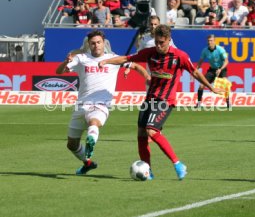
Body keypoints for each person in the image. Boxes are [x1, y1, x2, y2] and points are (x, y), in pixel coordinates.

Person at [98, 25, 222, 180]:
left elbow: (195, 72)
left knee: (152, 131)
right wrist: (106, 61)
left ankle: (178, 164)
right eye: (156, 42)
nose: (158, 45)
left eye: (161, 42)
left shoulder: (179, 56)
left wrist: (211, 87)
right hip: (150, 99)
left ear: (169, 40)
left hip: (165, 100)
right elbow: (127, 58)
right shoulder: (150, 53)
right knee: (141, 133)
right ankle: (147, 171)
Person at [56, 30, 150, 175]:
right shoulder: (81, 58)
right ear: (89, 44)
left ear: (103, 43)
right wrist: (65, 62)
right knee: (71, 144)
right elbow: (59, 72)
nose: (96, 45)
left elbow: (136, 66)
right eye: (93, 43)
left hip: (101, 104)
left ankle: (91, 141)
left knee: (94, 122)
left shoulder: (113, 58)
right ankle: (87, 163)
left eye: (99, 42)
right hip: (81, 105)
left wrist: (146, 76)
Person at [195, 34, 230, 109]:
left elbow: (226, 61)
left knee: (225, 85)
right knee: (201, 86)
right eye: (208, 41)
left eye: (211, 40)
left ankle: (228, 102)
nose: (209, 42)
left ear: (214, 41)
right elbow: (200, 61)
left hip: (221, 69)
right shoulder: (205, 50)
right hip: (212, 70)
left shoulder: (220, 49)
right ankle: (198, 103)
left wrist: (220, 69)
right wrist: (195, 70)